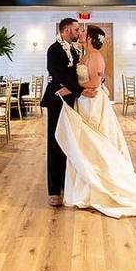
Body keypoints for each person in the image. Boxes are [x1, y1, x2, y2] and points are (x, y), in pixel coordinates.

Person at [54, 24, 136, 218]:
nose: (79, 33)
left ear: (89, 37)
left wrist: (71, 89)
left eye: (83, 32)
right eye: (78, 31)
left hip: (93, 103)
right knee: (84, 144)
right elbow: (84, 77)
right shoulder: (83, 54)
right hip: (84, 102)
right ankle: (86, 189)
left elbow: (95, 84)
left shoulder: (95, 56)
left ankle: (103, 187)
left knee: (95, 142)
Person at [41, 18, 94, 207]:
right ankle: (54, 190)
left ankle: (69, 184)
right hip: (57, 100)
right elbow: (59, 74)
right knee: (56, 141)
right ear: (66, 30)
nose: (79, 32)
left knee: (71, 141)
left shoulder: (75, 50)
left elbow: (76, 75)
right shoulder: (54, 50)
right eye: (76, 29)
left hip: (72, 100)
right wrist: (79, 90)